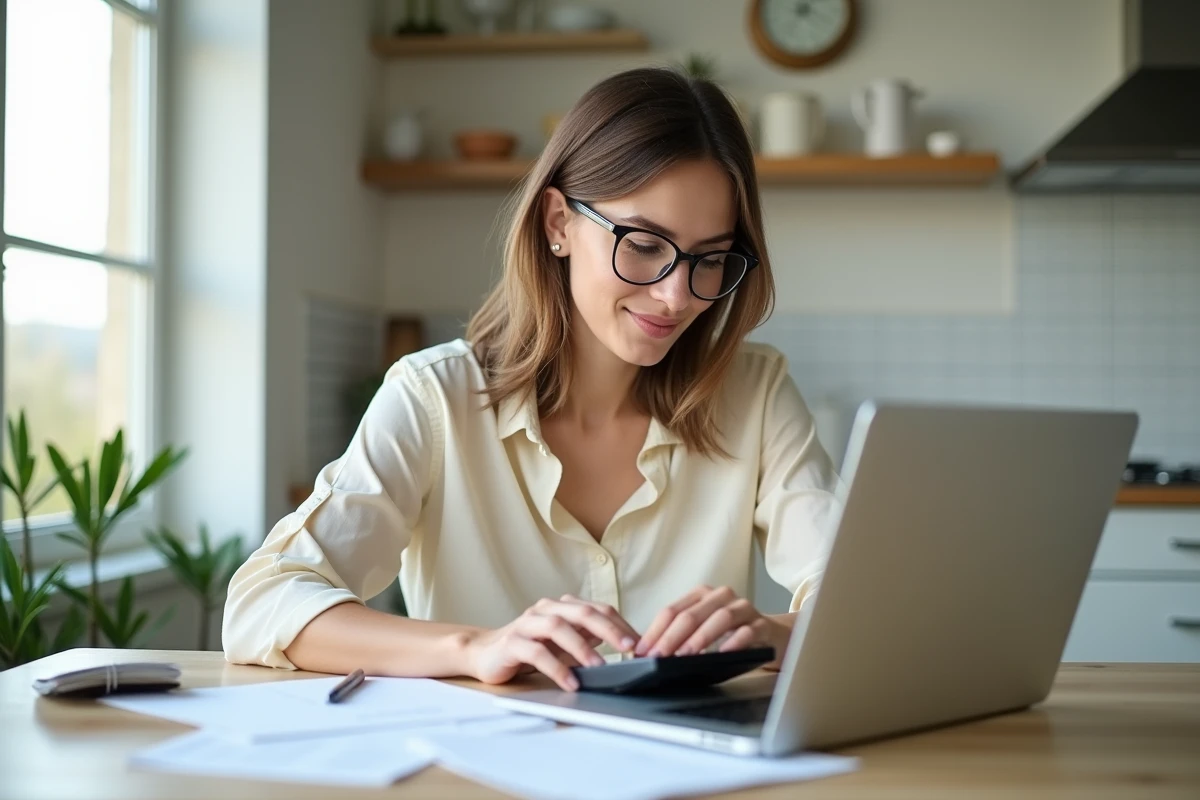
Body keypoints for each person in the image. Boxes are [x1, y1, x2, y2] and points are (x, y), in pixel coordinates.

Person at [222, 67, 843, 692]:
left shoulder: (757, 394)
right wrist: (474, 646)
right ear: (557, 224)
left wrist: (779, 634)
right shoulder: (434, 397)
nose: (676, 295)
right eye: (646, 245)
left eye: (709, 259)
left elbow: (858, 599)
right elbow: (263, 603)